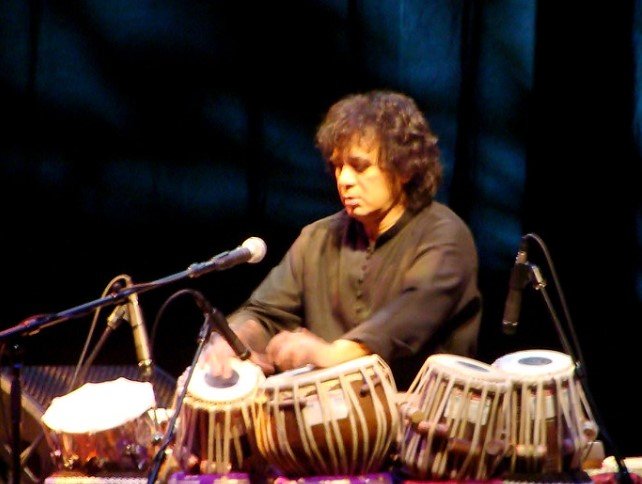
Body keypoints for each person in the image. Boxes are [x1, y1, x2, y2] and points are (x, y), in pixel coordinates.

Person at [200, 90, 481, 390]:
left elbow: (404, 321)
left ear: (405, 168)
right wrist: (233, 340)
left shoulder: (444, 237)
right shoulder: (318, 239)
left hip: (420, 427)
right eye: (337, 166)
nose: (344, 179)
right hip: (326, 422)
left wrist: (327, 353)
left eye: (359, 166)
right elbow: (264, 314)